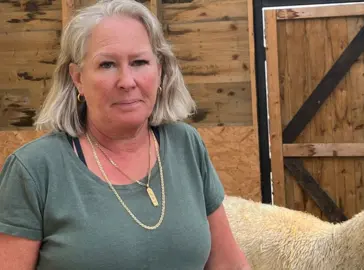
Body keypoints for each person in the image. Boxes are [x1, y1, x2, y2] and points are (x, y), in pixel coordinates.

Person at [0, 0, 250, 269]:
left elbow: (228, 264)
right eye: (107, 65)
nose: (127, 81)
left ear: (160, 70)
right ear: (78, 78)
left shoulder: (186, 145)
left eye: (140, 62)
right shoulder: (33, 170)